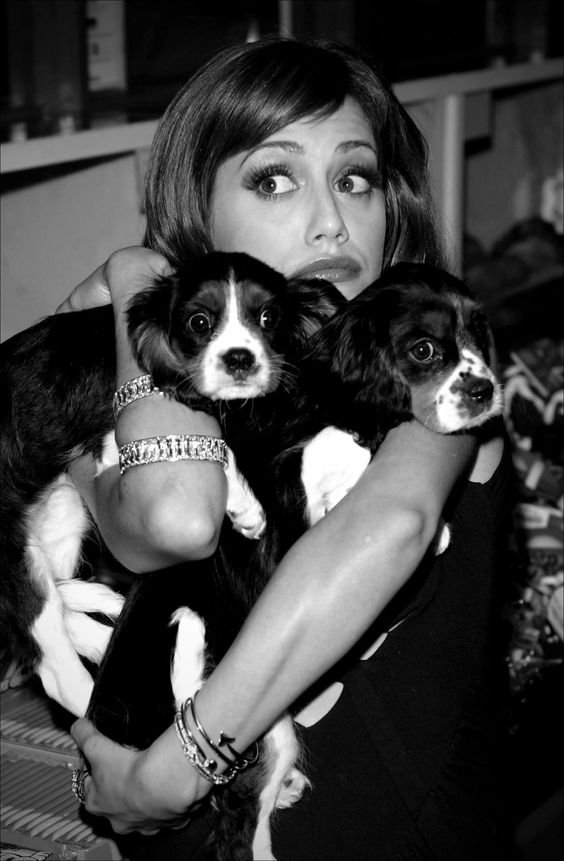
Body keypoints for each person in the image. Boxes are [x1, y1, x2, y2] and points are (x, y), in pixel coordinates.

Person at [61, 37, 513, 859]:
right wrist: (138, 278)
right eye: (274, 179)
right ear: (197, 216)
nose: (332, 219)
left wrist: (178, 767)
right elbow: (169, 515)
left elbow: (394, 523)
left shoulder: (426, 363)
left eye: (355, 178)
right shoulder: (232, 388)